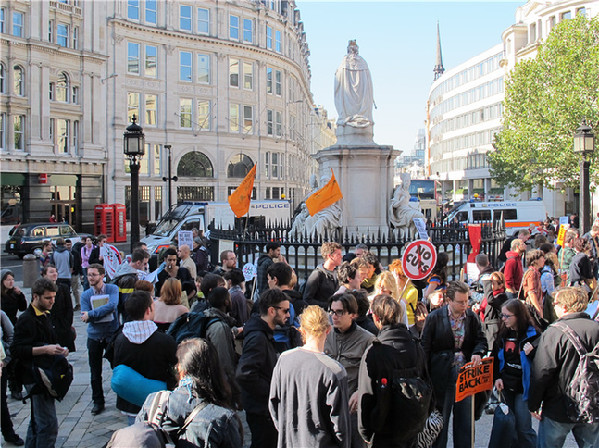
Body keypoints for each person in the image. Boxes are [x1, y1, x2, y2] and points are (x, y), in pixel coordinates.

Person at [270, 305, 351, 448]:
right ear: (328, 330)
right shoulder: (334, 371)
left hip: (289, 442)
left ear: (302, 331)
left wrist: (286, 431)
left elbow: (274, 404)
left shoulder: (284, 360)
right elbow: (341, 426)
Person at [137, 338, 243, 447]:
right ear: (214, 371)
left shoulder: (153, 402)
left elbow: (139, 440)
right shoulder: (222, 418)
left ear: (181, 371)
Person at [529, 287, 599, 448]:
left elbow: (542, 371)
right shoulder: (596, 329)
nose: (554, 306)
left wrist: (534, 404)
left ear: (565, 307)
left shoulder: (555, 332)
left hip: (558, 405)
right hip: (592, 403)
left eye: (556, 303)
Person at [357, 294, 430, 447]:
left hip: (384, 430)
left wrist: (365, 432)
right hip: (411, 427)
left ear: (376, 318)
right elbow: (428, 384)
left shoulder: (375, 352)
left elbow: (366, 395)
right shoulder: (416, 347)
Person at [421, 280, 487, 448]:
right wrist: (425, 377)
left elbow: (481, 340)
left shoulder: (471, 317)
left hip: (465, 375)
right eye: (460, 302)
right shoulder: (435, 317)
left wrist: (477, 353)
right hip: (441, 375)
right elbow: (425, 348)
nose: (464, 305)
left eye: (466, 301)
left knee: (465, 419)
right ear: (449, 300)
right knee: (440, 420)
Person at [11, 278, 69, 447]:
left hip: (45, 372)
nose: (52, 301)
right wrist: (45, 350)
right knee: (48, 425)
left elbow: (47, 342)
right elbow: (17, 350)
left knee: (38, 421)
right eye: (48, 298)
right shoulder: (26, 319)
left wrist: (58, 349)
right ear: (35, 297)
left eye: (53, 297)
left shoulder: (45, 314)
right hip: (34, 376)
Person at [113, 291, 177, 424]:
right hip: (158, 402)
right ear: (148, 310)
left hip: (130, 401)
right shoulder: (164, 340)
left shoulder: (119, 339)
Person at [236, 289, 290, 448]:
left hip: (261, 407)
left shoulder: (262, 333)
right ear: (272, 311)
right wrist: (272, 391)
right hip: (261, 410)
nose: (288, 315)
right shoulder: (258, 337)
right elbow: (245, 373)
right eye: (285, 310)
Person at [324, 293, 374, 448]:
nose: (334, 316)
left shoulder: (367, 339)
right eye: (332, 311)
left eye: (339, 312)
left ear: (353, 314)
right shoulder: (325, 335)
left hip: (352, 409)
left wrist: (361, 391)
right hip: (327, 406)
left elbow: (374, 373)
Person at [492, 299, 540, 448]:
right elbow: (495, 357)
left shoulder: (534, 335)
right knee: (509, 427)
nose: (503, 319)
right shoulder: (503, 333)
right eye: (502, 315)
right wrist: (497, 377)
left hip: (523, 387)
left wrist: (531, 351)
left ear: (518, 315)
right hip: (506, 384)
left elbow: (541, 362)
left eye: (507, 316)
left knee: (524, 428)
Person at [81, 263, 119, 415]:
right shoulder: (86, 294)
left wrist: (92, 314)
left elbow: (112, 305)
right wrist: (91, 315)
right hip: (94, 336)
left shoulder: (112, 289)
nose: (90, 277)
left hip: (111, 335)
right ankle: (98, 401)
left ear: (102, 276)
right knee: (95, 372)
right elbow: (84, 316)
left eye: (94, 274)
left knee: (117, 368)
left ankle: (122, 397)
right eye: (89, 275)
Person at [1, 269, 27, 400]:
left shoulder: (14, 294)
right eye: (8, 280)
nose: (11, 282)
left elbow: (23, 307)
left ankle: (16, 387)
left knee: (16, 359)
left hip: (14, 326)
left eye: (12, 279)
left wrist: (21, 294)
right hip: (3, 328)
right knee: (8, 359)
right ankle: (12, 388)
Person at [1, 310, 24, 446]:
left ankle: (8, 432)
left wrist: (6, 358)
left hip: (0, 365)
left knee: (1, 403)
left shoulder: (1, 315)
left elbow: (11, 336)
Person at [42, 264, 75, 352]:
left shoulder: (63, 288)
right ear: (45, 275)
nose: (55, 274)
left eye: (56, 271)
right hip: (47, 325)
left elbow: (69, 308)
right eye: (51, 272)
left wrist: (66, 324)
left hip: (62, 325)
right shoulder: (40, 289)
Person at [111, 249, 149, 322]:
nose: (146, 266)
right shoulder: (130, 279)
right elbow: (127, 301)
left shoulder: (123, 270)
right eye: (144, 263)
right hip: (128, 314)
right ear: (138, 263)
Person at [303, 242, 343, 308]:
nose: (341, 256)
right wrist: (327, 305)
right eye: (338, 254)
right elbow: (307, 299)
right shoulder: (317, 274)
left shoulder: (338, 272)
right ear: (330, 256)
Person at [479, 271, 509, 349]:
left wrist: (486, 283)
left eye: (492, 283)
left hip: (493, 329)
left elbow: (490, 301)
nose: (490, 285)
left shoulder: (502, 297)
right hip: (484, 327)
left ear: (501, 285)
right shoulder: (488, 295)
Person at [389, 259, 418, 325]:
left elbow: (398, 303)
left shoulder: (413, 291)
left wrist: (396, 284)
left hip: (409, 324)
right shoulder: (392, 288)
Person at [522, 249, 546, 319]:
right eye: (542, 258)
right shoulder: (532, 273)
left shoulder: (536, 272)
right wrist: (539, 310)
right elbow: (532, 293)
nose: (544, 260)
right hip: (532, 308)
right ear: (535, 261)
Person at [65, 239, 83, 311]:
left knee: (75, 290)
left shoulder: (75, 253)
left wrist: (79, 272)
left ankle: (78, 304)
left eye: (69, 245)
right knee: (67, 291)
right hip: (66, 274)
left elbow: (79, 262)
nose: (68, 246)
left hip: (74, 274)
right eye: (67, 245)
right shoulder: (64, 253)